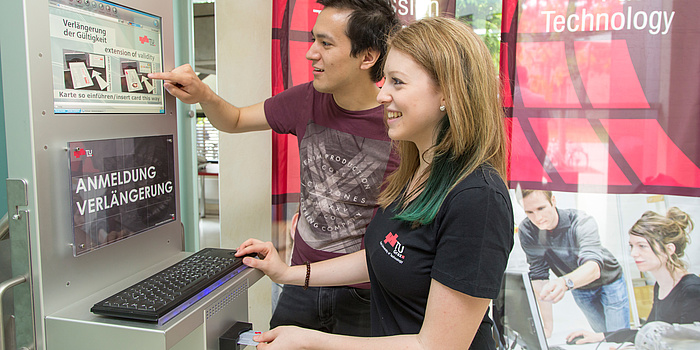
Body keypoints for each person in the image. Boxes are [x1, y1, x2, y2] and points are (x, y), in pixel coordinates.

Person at [234, 16, 514, 349]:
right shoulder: (416, 171)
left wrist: (311, 341)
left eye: (397, 82)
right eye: (385, 81)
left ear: (448, 94)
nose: (382, 95)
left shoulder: (477, 199)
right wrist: (288, 274)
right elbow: (382, 256)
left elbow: (436, 345)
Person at [149, 0, 400, 336]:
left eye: (326, 44)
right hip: (301, 283)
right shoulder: (305, 100)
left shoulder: (399, 123)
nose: (311, 53)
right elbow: (236, 119)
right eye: (313, 40)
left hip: (368, 294)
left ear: (367, 57)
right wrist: (204, 95)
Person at [567, 207, 700, 345]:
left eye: (642, 246)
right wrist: (600, 336)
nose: (634, 253)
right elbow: (646, 333)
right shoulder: (661, 285)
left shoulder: (692, 289)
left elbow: (687, 345)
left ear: (669, 249)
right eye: (632, 246)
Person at [517, 190, 630, 335]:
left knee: (616, 336)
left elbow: (593, 268)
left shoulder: (581, 221)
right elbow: (539, 276)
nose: (538, 218)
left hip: (609, 281)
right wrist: (547, 328)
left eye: (541, 208)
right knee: (600, 334)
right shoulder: (527, 230)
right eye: (529, 212)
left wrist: (564, 283)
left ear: (553, 201)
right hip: (579, 287)